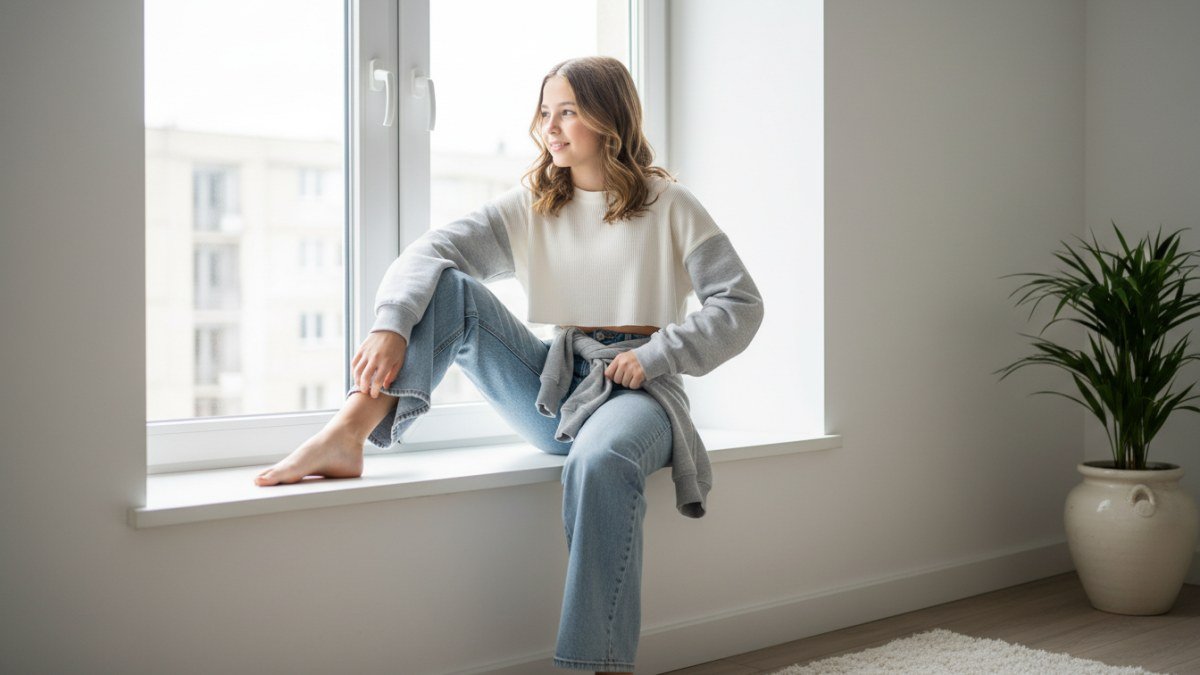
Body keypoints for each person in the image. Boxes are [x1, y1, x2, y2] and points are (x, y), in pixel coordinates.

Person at [253, 55, 764, 674]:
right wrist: (390, 323)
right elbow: (431, 250)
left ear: (610, 119)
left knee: (599, 461)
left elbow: (740, 303)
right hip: (554, 387)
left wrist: (657, 355)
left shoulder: (670, 204)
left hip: (640, 394)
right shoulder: (535, 204)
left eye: (568, 111)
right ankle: (349, 431)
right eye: (545, 112)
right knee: (448, 288)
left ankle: (593, 667)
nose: (550, 126)